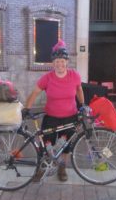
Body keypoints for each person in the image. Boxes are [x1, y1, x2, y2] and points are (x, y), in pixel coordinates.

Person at [23, 39, 85, 182]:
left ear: (66, 62)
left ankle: (62, 168)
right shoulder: (47, 78)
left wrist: (82, 105)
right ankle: (43, 167)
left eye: (62, 61)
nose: (60, 64)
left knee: (66, 146)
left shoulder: (74, 75)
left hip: (70, 116)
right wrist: (27, 108)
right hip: (51, 117)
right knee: (47, 145)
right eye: (57, 61)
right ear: (53, 63)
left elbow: (79, 90)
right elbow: (34, 92)